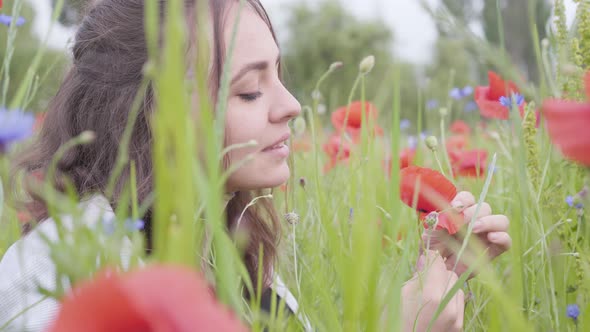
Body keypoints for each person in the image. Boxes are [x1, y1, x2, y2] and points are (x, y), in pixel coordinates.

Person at [0, 0, 512, 331]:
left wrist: (435, 278)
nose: (290, 105)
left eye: (279, 76)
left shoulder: (233, 254)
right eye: (249, 90)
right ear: (150, 113)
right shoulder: (54, 279)